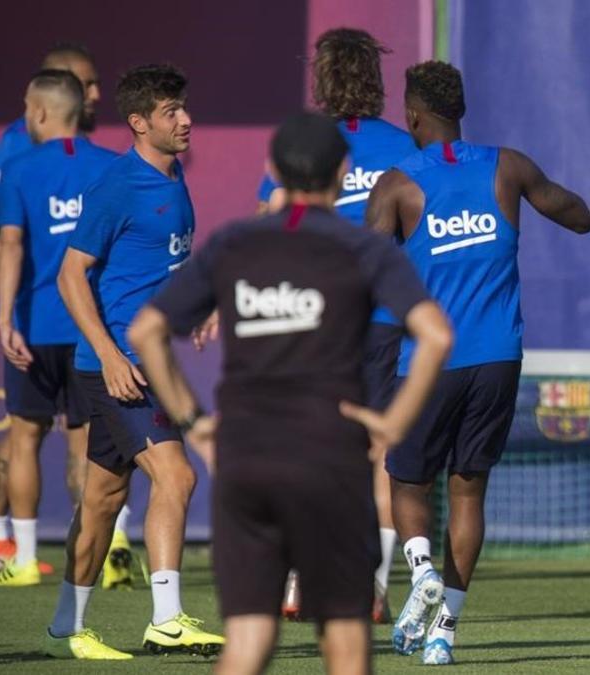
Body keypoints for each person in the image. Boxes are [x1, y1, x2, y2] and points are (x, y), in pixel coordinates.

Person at [129, 111, 451, 675]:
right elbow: (436, 333)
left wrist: (195, 421)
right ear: (345, 172)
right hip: (330, 458)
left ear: (271, 169)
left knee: (249, 639)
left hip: (248, 459)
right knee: (346, 642)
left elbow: (146, 331)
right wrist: (394, 423)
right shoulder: (362, 248)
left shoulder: (235, 244)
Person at [368, 61, 590, 665]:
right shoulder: (508, 166)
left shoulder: (396, 185)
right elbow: (572, 211)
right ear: (459, 111)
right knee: (469, 494)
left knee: (407, 480)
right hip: (498, 359)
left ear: (412, 116)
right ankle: (443, 634)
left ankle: (419, 577)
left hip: (428, 363)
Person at [45, 64, 222, 660]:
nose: (185, 119)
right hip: (117, 367)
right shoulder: (117, 186)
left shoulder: (174, 178)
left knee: (103, 499)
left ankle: (69, 625)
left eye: (184, 108)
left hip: (142, 358)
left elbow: (165, 265)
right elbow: (71, 275)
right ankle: (166, 621)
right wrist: (107, 354)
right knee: (179, 477)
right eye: (171, 111)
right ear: (139, 122)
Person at [254, 27, 416, 624]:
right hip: (380, 322)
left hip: (310, 321)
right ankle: (370, 589)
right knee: (379, 455)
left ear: (321, 78)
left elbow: (269, 226)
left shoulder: (304, 148)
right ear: (375, 79)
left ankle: (297, 581)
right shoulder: (403, 147)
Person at [0, 42, 135, 583]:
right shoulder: (113, 167)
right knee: (86, 444)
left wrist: (3, 318)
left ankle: (21, 558)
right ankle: (100, 556)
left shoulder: (19, 167)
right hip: (90, 325)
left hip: (35, 324)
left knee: (24, 437)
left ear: (40, 112)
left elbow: (8, 241)